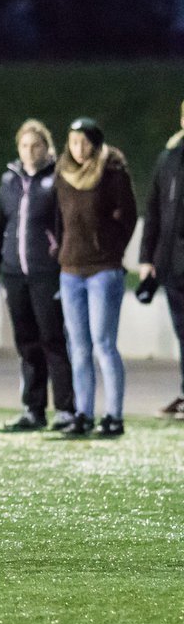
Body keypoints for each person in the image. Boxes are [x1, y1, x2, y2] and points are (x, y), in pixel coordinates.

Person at [0, 119, 77, 432]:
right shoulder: (9, 180)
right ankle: (33, 409)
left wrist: (64, 266)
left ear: (47, 148)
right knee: (26, 343)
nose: (29, 151)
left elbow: (67, 227)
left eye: (36, 145)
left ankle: (66, 409)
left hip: (46, 273)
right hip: (14, 274)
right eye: (24, 145)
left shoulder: (57, 179)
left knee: (53, 339)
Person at [55, 117, 137, 437]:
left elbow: (127, 215)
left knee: (104, 344)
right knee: (78, 346)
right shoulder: (63, 174)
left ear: (95, 143)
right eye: (73, 142)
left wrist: (111, 248)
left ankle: (113, 416)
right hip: (71, 270)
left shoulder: (112, 172)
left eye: (84, 142)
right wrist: (59, 252)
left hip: (103, 270)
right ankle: (83, 414)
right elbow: (60, 218)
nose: (78, 148)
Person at [138, 100, 184, 419]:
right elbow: (153, 211)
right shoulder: (169, 158)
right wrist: (147, 258)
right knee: (182, 333)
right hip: (172, 265)